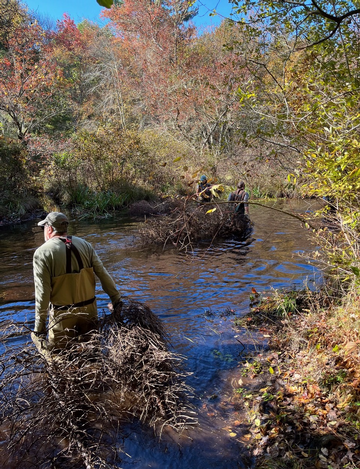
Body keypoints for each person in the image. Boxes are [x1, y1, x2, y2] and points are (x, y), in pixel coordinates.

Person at [33, 212, 121, 349]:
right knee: (92, 353)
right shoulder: (85, 245)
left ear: (49, 229)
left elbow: (42, 293)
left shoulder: (42, 253)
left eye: (43, 228)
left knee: (59, 359)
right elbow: (104, 275)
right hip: (89, 311)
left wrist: (39, 327)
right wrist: (116, 300)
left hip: (62, 316)